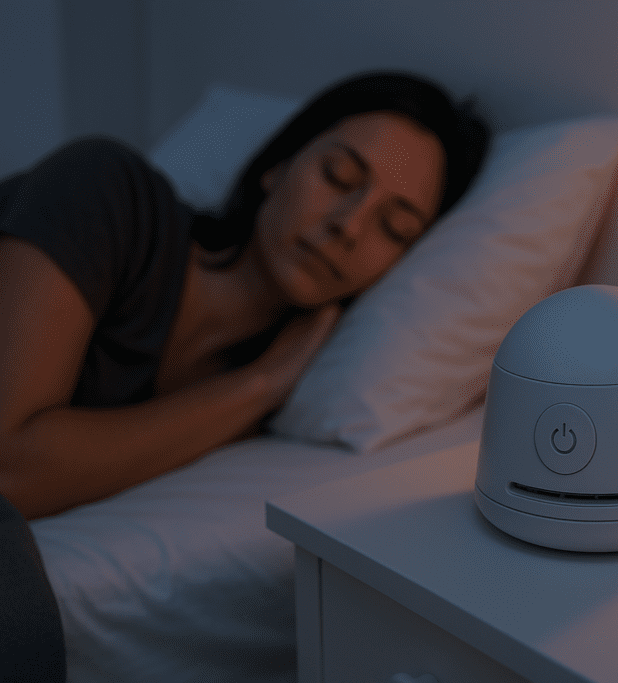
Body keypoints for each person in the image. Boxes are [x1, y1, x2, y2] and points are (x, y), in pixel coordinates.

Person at [0, 71, 489, 680]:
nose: (350, 225)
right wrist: (259, 386)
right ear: (276, 167)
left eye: (396, 229)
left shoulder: (268, 390)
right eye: (338, 176)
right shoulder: (106, 192)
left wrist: (266, 386)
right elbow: (10, 466)